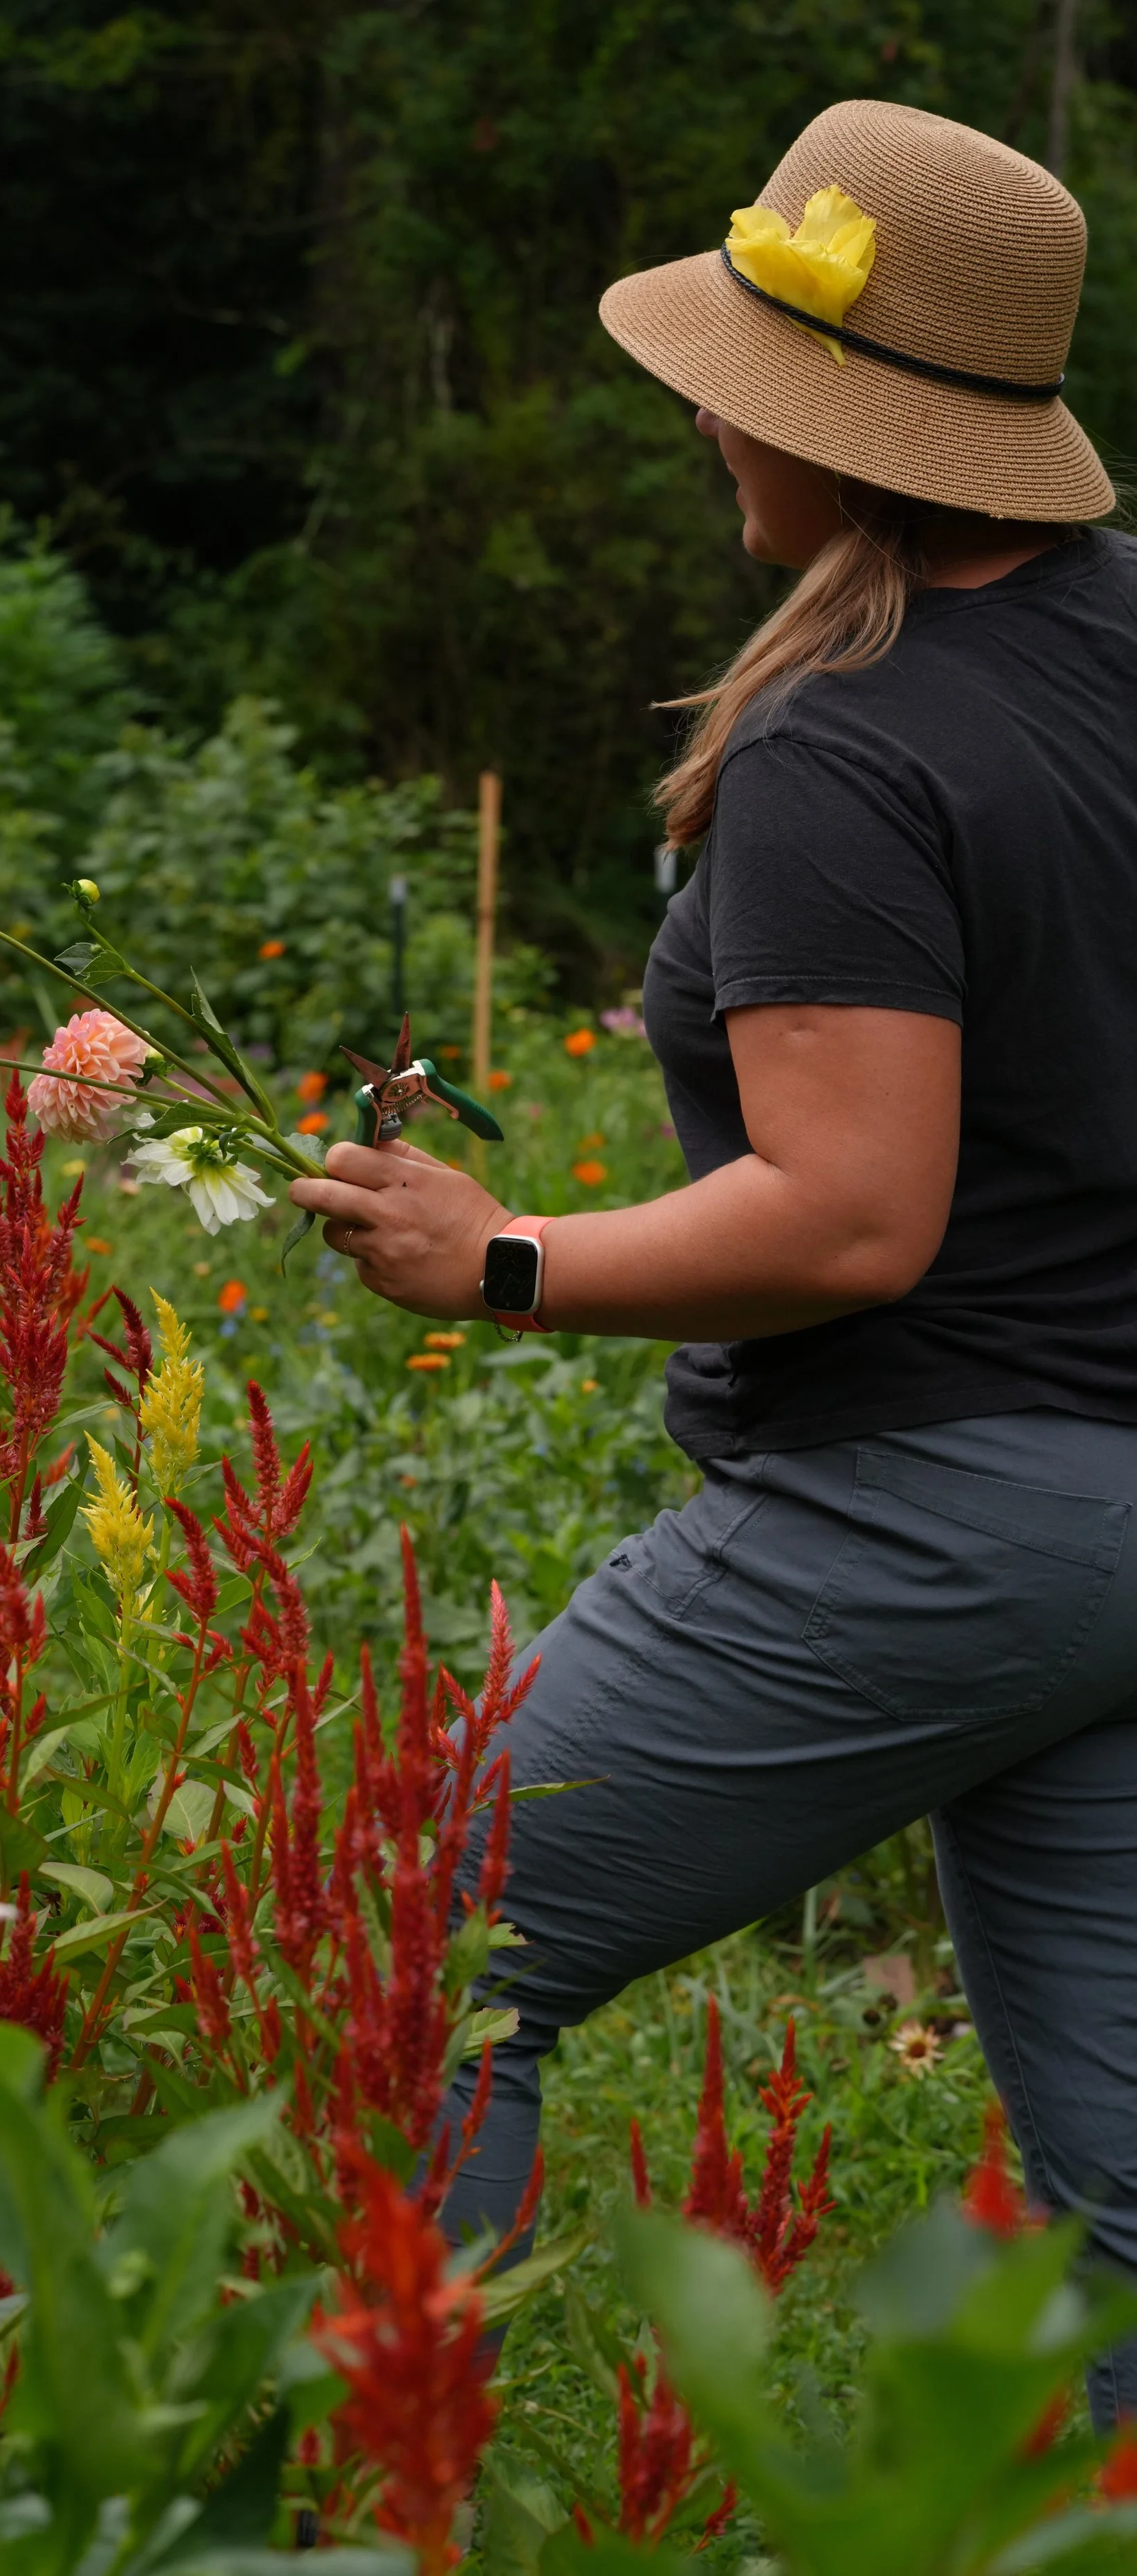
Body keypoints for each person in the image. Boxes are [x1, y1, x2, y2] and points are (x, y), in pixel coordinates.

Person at [287, 97, 1137, 2421]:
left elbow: (855, 1215)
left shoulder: (845, 750)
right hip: (1119, 1522)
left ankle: (402, 2489)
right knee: (1125, 2182)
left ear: (845, 426)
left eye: (735, 371)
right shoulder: (1109, 648)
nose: (696, 408)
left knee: (405, 1935)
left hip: (932, 1512)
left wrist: (499, 1257)